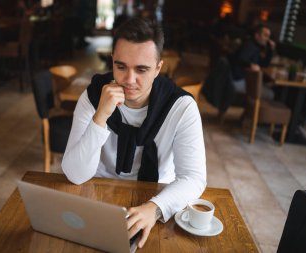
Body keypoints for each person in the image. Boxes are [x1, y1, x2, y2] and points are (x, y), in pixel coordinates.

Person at [61, 17, 206, 248]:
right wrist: (100, 117)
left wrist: (155, 208)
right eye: (121, 67)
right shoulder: (93, 97)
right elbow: (75, 175)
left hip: (159, 198)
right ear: (112, 62)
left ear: (158, 68)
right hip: (99, 194)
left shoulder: (182, 107)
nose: (129, 80)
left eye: (142, 69)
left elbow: (193, 178)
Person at [229, 24, 276, 98]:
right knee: (270, 94)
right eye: (265, 35)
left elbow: (264, 64)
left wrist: (271, 50)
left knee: (266, 87)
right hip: (237, 81)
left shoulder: (256, 47)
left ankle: (252, 108)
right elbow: (240, 58)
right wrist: (250, 65)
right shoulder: (250, 45)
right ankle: (253, 108)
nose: (268, 39)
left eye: (268, 36)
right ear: (257, 36)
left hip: (241, 79)